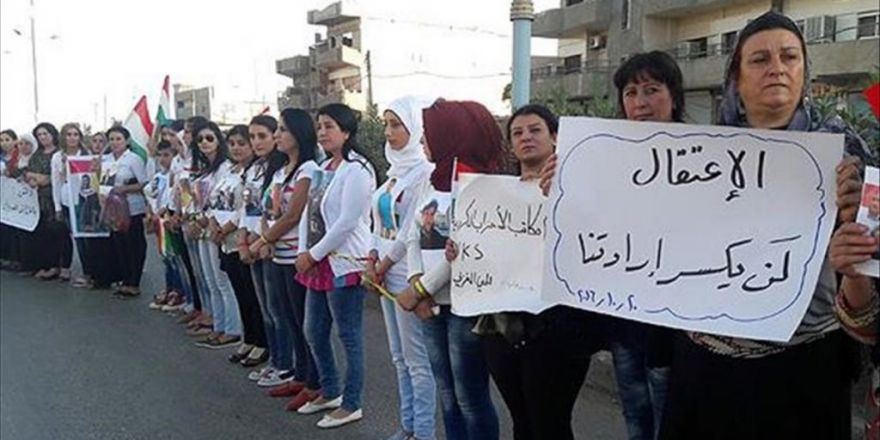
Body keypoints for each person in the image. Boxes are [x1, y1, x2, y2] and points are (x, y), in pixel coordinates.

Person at [658, 11, 878, 439]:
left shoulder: (851, 161)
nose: (776, 67)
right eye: (759, 59)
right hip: (707, 367)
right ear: (736, 79)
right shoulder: (691, 158)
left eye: (789, 56)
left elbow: (867, 312)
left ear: (804, 71)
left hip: (806, 370)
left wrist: (852, 241)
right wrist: (571, 184)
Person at [455, 104, 601, 440]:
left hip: (559, 329)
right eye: (518, 133)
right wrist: (461, 252)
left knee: (550, 422)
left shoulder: (580, 188)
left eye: (535, 130)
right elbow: (485, 254)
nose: (526, 137)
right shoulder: (494, 196)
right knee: (521, 420)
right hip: (505, 328)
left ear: (554, 137)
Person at [396, 100, 502, 440]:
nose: (423, 140)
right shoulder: (433, 179)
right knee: (446, 393)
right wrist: (416, 282)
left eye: (430, 133)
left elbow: (463, 250)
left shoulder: (477, 184)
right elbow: (414, 233)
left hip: (463, 305)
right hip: (429, 304)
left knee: (470, 397)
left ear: (451, 134)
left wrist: (420, 290)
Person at [293, 103, 375, 429]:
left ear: (346, 131)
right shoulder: (324, 167)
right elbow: (307, 213)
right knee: (313, 329)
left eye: (329, 126)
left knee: (349, 335)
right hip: (317, 260)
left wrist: (312, 254)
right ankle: (330, 391)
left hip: (343, 262)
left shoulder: (359, 169)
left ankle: (352, 402)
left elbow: (347, 222)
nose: (323, 132)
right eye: (320, 126)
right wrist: (304, 250)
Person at [365, 95, 438, 440]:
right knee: (398, 357)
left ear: (416, 127)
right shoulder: (393, 173)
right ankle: (407, 426)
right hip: (382, 272)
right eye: (387, 125)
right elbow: (376, 226)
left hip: (406, 275)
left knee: (417, 361)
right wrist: (370, 260)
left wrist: (384, 263)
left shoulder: (425, 173)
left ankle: (422, 432)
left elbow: (410, 228)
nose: (390, 133)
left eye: (397, 125)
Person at [248, 109, 320, 407]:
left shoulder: (309, 169)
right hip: (276, 254)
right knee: (288, 319)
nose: (277, 135)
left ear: (299, 134)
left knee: (306, 323)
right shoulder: (279, 171)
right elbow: (268, 209)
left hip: (295, 257)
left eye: (282, 130)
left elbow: (294, 214)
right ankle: (300, 376)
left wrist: (264, 239)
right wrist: (264, 237)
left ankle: (315, 381)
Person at [189, 120, 241, 348]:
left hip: (219, 229)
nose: (204, 143)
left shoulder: (226, 168)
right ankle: (218, 325)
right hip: (203, 227)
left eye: (210, 138)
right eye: (200, 139)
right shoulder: (204, 169)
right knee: (209, 280)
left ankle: (232, 329)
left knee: (222, 281)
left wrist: (212, 224)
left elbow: (225, 202)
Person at [101, 126, 148, 298]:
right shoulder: (105, 160)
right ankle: (124, 279)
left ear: (126, 140)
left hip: (132, 207)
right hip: (113, 209)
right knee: (119, 245)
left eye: (118, 139)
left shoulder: (133, 159)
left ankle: (134, 282)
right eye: (112, 139)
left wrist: (124, 189)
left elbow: (144, 183)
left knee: (133, 245)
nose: (114, 142)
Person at [16, 123, 63, 278]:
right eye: (40, 135)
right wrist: (34, 178)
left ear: (53, 134)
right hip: (37, 199)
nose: (43, 137)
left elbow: (53, 177)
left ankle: (58, 266)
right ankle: (45, 265)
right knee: (42, 234)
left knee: (56, 232)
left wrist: (41, 179)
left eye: (45, 133)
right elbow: (28, 173)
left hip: (54, 197)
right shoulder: (37, 154)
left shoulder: (59, 153)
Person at [51, 123, 89, 287]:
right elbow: (56, 182)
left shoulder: (86, 154)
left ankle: (88, 271)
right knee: (65, 236)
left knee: (83, 239)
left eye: (75, 134)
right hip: (66, 200)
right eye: (68, 134)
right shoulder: (57, 157)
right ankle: (65, 267)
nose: (72, 138)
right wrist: (57, 206)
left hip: (83, 200)